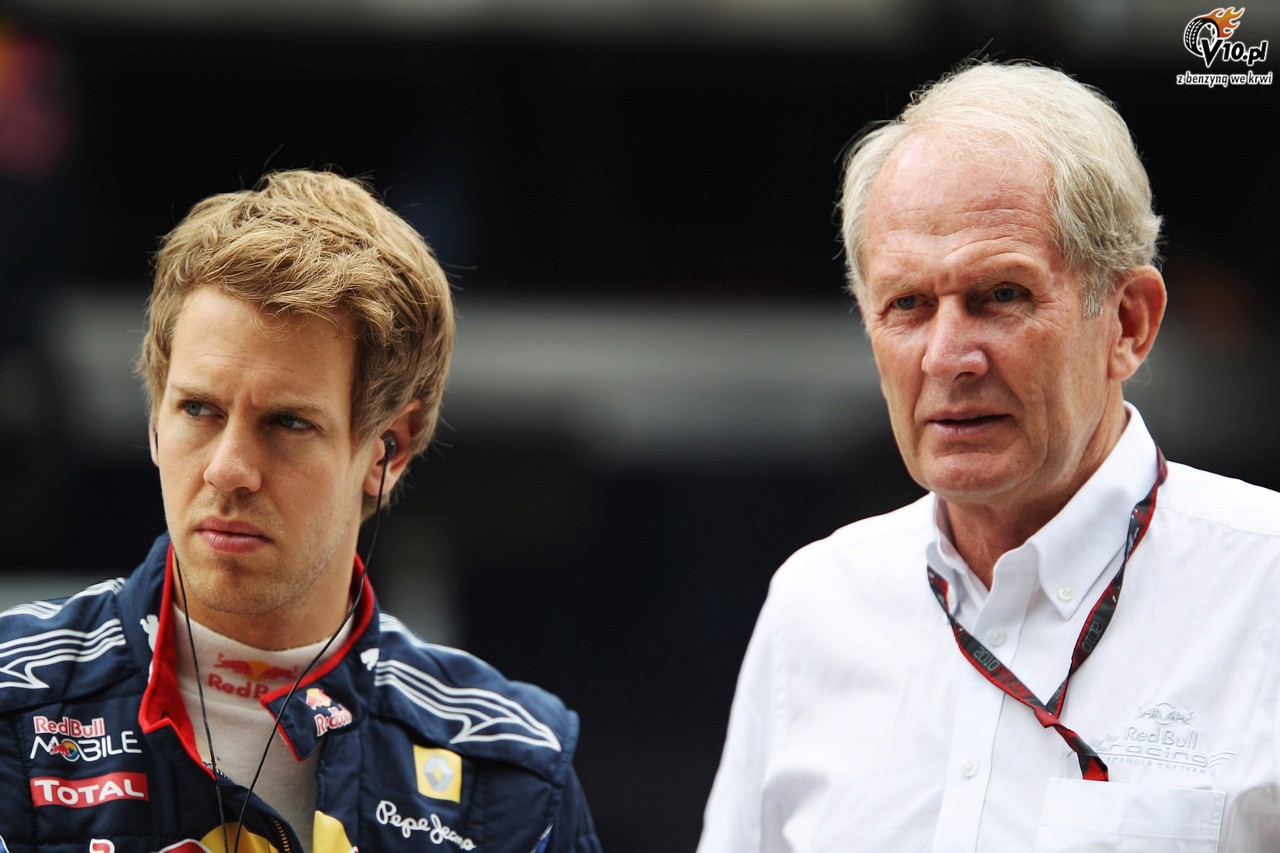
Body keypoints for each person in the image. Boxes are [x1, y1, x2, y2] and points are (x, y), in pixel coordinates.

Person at [699, 61, 1280, 852]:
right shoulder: (815, 605)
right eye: (907, 303)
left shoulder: (1262, 587)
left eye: (1001, 295)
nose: (947, 356)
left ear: (1130, 322)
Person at [0, 169, 601, 852]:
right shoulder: (12, 702)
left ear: (388, 450)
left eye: (286, 422)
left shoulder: (513, 772)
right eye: (198, 409)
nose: (228, 469)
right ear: (155, 423)